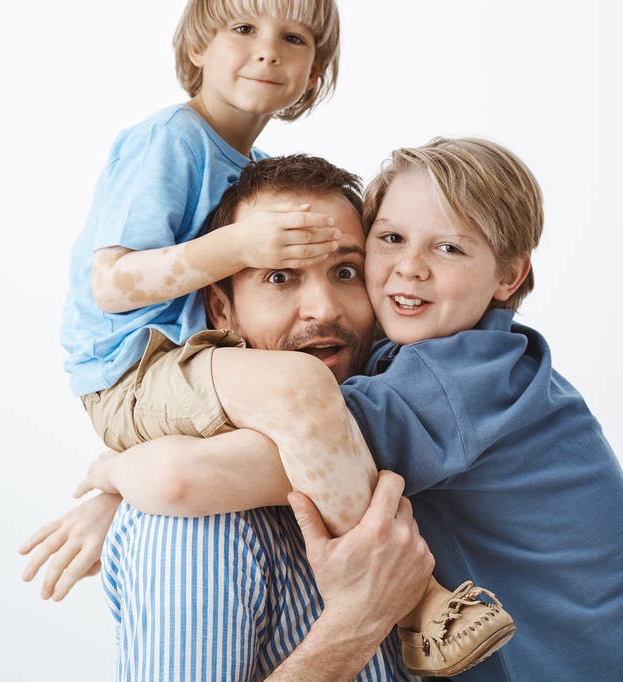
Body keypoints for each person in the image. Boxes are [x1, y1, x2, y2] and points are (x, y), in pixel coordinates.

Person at [78, 138, 623, 679]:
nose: (408, 268)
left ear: (509, 275)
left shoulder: (453, 382)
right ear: (219, 310)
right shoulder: (416, 358)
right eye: (390, 240)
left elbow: (184, 476)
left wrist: (111, 474)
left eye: (344, 270)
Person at [59, 0, 506, 671]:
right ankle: (415, 594)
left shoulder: (251, 166)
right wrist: (237, 243)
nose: (267, 50)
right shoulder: (171, 141)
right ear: (196, 49)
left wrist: (120, 484)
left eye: (291, 37)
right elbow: (111, 285)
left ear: (314, 71)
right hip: (129, 369)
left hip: (183, 374)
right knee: (294, 386)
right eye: (242, 28)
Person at [24, 154, 434, 680]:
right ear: (220, 310)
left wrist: (121, 480)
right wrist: (358, 622)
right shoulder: (193, 529)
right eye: (280, 276)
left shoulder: (413, 414)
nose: (323, 308)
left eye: (346, 272)